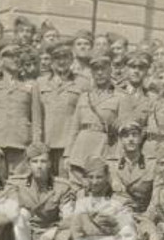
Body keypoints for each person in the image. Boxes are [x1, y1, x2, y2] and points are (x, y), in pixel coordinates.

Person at [10, 142, 76, 240]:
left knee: (66, 233)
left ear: (50, 163)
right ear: (28, 164)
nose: (39, 166)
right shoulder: (18, 184)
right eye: (35, 161)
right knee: (19, 219)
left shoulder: (62, 187)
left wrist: (55, 229)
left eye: (43, 161)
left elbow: (69, 217)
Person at [64, 49, 122, 187]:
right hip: (80, 149)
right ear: (92, 73)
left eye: (103, 69)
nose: (100, 73)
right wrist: (67, 154)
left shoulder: (119, 97)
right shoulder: (84, 96)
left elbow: (121, 133)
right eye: (96, 70)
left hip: (102, 148)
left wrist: (115, 158)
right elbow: (74, 127)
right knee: (76, 188)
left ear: (110, 70)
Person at [0, 41, 43, 175]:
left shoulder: (31, 85)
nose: (15, 59)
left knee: (19, 183)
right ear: (1, 59)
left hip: (20, 141)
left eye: (18, 56)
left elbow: (36, 119)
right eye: (10, 56)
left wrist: (36, 145)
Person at [38, 39, 86, 177]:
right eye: (57, 58)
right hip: (45, 143)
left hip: (68, 144)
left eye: (65, 58)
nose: (61, 62)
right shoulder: (40, 83)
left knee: (64, 183)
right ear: (51, 61)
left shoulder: (82, 83)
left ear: (72, 60)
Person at [107, 119, 156, 221]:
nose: (131, 139)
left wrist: (147, 217)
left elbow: (157, 196)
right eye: (126, 136)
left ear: (141, 138)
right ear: (120, 140)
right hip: (120, 213)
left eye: (134, 135)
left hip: (145, 214)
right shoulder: (112, 164)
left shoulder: (152, 164)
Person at [118, 48, 153, 124]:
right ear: (125, 69)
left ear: (147, 71)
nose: (136, 71)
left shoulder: (151, 98)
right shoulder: (114, 93)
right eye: (133, 67)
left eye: (141, 68)